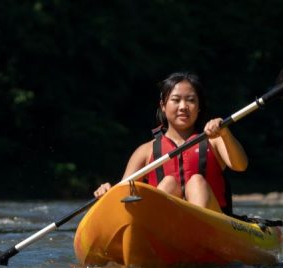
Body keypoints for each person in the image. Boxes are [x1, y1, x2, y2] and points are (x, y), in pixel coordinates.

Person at [94, 72, 247, 213]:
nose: (183, 107)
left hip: (212, 221)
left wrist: (225, 133)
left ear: (199, 107)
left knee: (196, 182)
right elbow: (123, 193)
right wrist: (107, 192)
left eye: (191, 100)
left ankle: (196, 231)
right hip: (166, 224)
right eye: (175, 100)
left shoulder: (215, 140)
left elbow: (240, 165)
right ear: (163, 106)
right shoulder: (145, 151)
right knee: (168, 184)